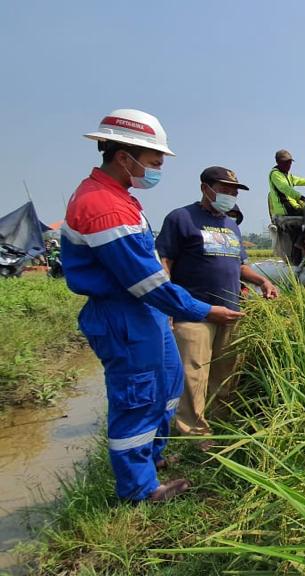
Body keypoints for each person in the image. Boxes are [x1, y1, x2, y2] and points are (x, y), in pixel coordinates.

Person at [63, 109, 243, 503]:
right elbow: (147, 280)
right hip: (124, 314)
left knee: (165, 386)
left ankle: (152, 457)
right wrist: (202, 310)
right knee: (137, 398)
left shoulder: (120, 199)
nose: (158, 168)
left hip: (147, 313)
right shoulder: (104, 206)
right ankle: (139, 489)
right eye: (154, 160)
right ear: (124, 155)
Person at [157, 167, 279, 451]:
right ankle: (195, 436)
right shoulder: (181, 218)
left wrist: (262, 281)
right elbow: (165, 264)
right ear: (205, 188)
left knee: (226, 374)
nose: (231, 195)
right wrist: (167, 306)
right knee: (193, 377)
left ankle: (220, 423)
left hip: (230, 313)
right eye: (224, 189)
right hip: (195, 313)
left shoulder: (231, 225)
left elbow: (239, 265)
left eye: (234, 191)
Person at [267, 149, 305, 263]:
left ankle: (299, 257)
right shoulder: (275, 174)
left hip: (293, 207)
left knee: (296, 235)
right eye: (286, 162)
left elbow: (301, 180)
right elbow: (285, 189)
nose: (289, 165)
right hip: (286, 209)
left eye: (290, 162)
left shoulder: (288, 175)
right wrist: (304, 198)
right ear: (278, 162)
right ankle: (300, 248)